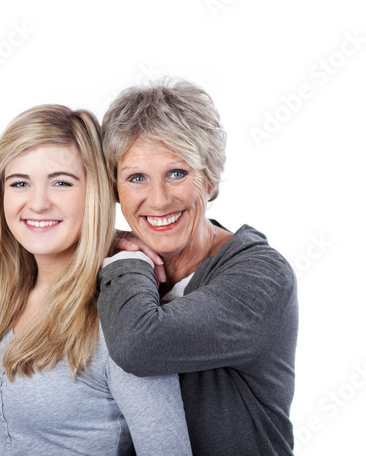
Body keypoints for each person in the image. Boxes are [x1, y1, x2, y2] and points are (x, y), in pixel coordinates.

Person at [0, 104, 192, 455]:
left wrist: (106, 239)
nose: (38, 204)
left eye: (61, 183)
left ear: (95, 193)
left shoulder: (120, 320)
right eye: (20, 183)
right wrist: (111, 237)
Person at [97, 79, 299, 456]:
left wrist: (125, 257)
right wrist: (98, 241)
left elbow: (138, 344)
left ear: (209, 176)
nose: (159, 200)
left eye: (177, 173)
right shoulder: (113, 266)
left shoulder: (263, 275)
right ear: (114, 189)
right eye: (136, 177)